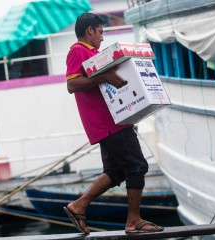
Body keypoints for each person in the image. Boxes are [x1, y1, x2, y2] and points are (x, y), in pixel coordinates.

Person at [64, 12, 164, 235]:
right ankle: (133, 221)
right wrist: (103, 77)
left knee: (116, 172)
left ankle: (78, 205)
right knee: (137, 166)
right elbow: (72, 85)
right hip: (108, 123)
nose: (102, 37)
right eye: (100, 32)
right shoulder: (78, 51)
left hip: (115, 120)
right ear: (90, 30)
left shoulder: (95, 54)